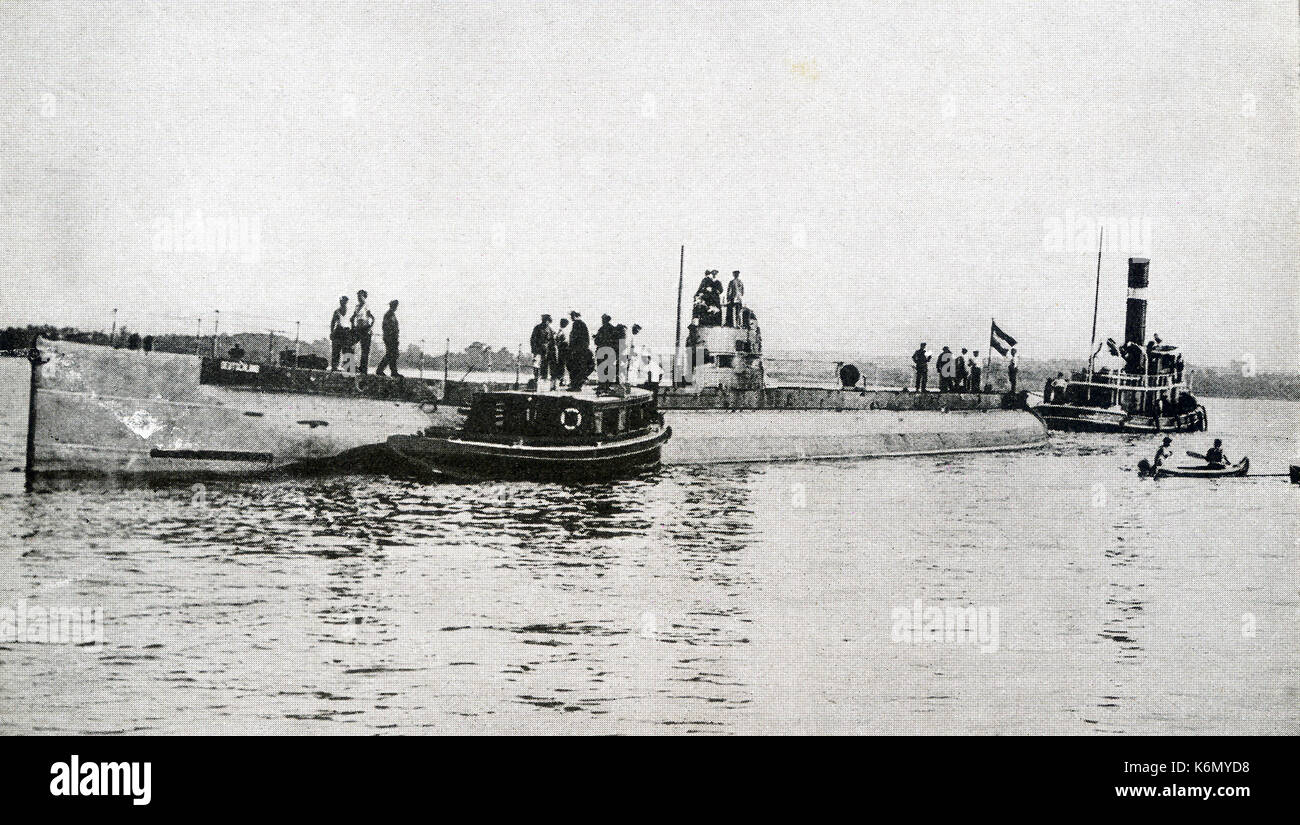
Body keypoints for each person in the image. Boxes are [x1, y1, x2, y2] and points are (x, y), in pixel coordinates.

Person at [567, 311, 593, 391]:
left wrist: (573, 349)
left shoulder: (577, 323)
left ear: (575, 316)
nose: (571, 317)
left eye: (572, 315)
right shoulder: (581, 324)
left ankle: (576, 386)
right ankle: (577, 385)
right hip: (581, 350)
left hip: (578, 350)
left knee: (575, 367)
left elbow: (575, 338)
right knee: (578, 368)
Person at [375, 300, 401, 377]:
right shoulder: (388, 314)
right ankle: (382, 370)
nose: (396, 307)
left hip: (393, 338)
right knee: (392, 354)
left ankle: (392, 371)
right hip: (390, 338)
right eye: (395, 305)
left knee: (392, 354)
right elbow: (386, 327)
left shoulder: (391, 314)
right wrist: (390, 336)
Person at [351, 290, 375, 374]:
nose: (359, 298)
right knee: (350, 345)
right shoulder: (357, 306)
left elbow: (372, 318)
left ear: (364, 297)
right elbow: (353, 317)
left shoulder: (367, 306)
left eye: (360, 297)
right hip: (358, 329)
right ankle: (351, 366)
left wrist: (370, 327)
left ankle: (363, 369)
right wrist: (353, 326)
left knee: (365, 350)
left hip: (365, 329)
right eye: (358, 297)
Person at [529, 314, 555, 389]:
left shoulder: (550, 329)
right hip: (538, 350)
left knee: (545, 365)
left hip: (546, 352)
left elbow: (552, 341)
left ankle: (543, 379)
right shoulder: (537, 328)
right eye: (545, 320)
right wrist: (534, 350)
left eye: (548, 321)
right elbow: (532, 339)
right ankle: (536, 378)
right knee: (536, 365)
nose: (546, 322)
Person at [329, 295, 351, 371]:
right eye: (341, 301)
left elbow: (353, 321)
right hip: (338, 331)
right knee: (336, 349)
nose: (342, 303)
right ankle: (334, 367)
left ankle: (348, 367)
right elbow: (333, 322)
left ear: (347, 302)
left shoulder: (350, 311)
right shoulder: (337, 311)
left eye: (344, 301)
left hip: (347, 331)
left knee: (347, 350)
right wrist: (332, 332)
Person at [554, 317, 570, 387]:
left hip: (563, 349)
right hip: (564, 349)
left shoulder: (561, 331)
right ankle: (562, 380)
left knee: (562, 365)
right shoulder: (563, 331)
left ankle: (561, 380)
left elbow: (558, 340)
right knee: (563, 365)